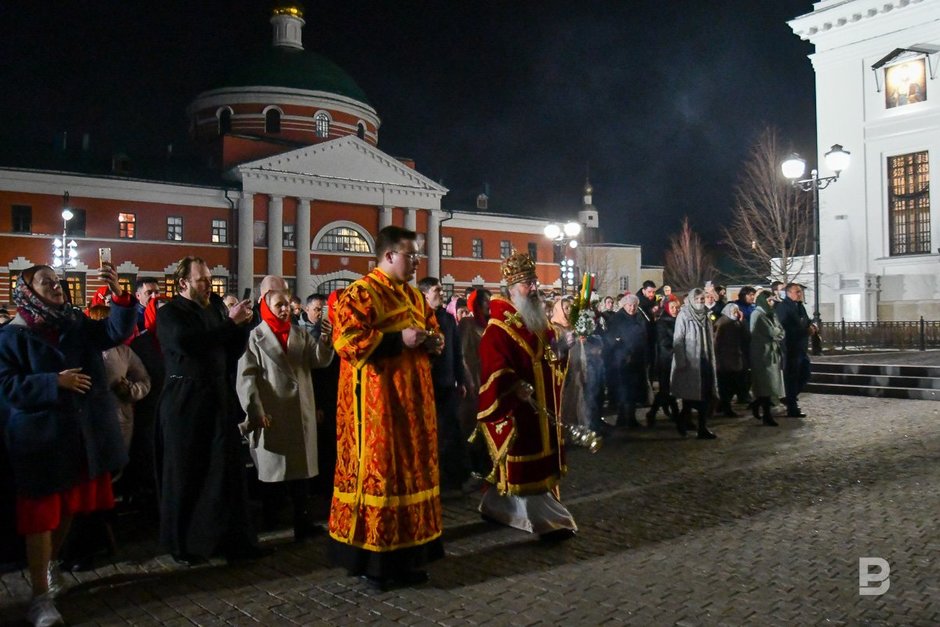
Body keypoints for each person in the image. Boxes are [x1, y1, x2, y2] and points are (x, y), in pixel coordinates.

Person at [0, 263, 135, 626]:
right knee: (40, 516)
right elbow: (6, 386)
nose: (58, 287)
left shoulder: (73, 323)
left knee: (68, 507)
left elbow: (114, 332)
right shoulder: (11, 335)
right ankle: (40, 598)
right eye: (47, 282)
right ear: (27, 290)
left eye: (58, 281)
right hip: (38, 440)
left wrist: (120, 297)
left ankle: (48, 566)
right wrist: (52, 383)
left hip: (79, 437)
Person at [329, 226, 444, 590]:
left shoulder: (413, 295)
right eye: (411, 255)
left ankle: (409, 558)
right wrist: (398, 339)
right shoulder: (361, 292)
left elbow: (430, 327)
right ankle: (375, 564)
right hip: (376, 409)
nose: (416, 263)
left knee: (412, 474)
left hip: (414, 405)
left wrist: (433, 341)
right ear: (390, 255)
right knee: (382, 477)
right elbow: (346, 341)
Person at [155, 256, 263, 566]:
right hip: (185, 400)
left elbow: (228, 350)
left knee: (225, 471)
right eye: (201, 279)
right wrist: (229, 324)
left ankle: (233, 541)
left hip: (217, 396)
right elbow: (188, 343)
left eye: (209, 277)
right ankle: (186, 544)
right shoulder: (170, 313)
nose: (208, 284)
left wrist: (239, 328)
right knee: (187, 471)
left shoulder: (214, 308)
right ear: (183, 283)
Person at [475, 250, 576, 541]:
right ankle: (546, 519)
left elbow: (550, 357)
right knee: (522, 467)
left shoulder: (537, 320)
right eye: (526, 283)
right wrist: (512, 386)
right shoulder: (498, 328)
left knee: (514, 472)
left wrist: (563, 348)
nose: (533, 288)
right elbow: (492, 368)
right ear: (511, 288)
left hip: (541, 408)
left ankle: (494, 505)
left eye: (534, 281)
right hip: (519, 409)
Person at [236, 286, 334, 541]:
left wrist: (325, 342)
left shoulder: (300, 333)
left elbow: (319, 361)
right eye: (279, 305)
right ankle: (271, 520)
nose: (285, 310)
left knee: (300, 473)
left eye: (287, 305)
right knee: (273, 471)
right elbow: (246, 378)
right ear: (266, 306)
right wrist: (254, 409)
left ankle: (304, 523)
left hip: (300, 410)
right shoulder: (254, 337)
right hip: (274, 411)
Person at [418, 277, 468, 491]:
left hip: (447, 382)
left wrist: (462, 379)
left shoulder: (447, 319)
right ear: (425, 294)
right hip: (425, 384)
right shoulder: (417, 317)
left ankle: (452, 477)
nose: (441, 293)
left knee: (450, 430)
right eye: (436, 290)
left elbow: (456, 350)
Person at [670, 288, 718, 439]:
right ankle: (682, 420)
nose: (700, 303)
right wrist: (681, 361)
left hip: (704, 360)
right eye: (697, 300)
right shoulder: (684, 315)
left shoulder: (706, 315)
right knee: (690, 398)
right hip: (690, 362)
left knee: (705, 395)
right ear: (691, 300)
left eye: (702, 300)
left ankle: (702, 428)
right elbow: (678, 340)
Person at [458, 288, 492, 486]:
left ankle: (487, 465)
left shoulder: (492, 324)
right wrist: (468, 379)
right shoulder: (467, 324)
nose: (489, 304)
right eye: (485, 301)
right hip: (475, 379)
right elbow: (462, 354)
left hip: (489, 378)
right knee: (472, 424)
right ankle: (471, 467)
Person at [605, 293, 649, 429]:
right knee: (625, 390)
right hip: (623, 359)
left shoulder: (639, 317)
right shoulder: (617, 318)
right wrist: (622, 349)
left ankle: (630, 417)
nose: (632, 308)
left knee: (634, 391)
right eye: (629, 305)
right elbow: (611, 338)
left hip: (637, 358)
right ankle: (623, 419)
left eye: (634, 306)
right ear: (624, 305)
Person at [775, 283, 813, 417]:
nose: (799, 294)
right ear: (789, 293)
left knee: (805, 373)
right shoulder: (783, 307)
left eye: (800, 291)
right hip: (790, 348)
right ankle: (792, 407)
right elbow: (784, 328)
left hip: (801, 347)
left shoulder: (800, 306)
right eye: (797, 292)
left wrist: (812, 326)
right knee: (792, 377)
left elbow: (806, 320)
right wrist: (804, 331)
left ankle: (789, 398)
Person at [749, 291, 785, 427]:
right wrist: (777, 331)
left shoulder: (770, 314)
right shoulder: (758, 314)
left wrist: (777, 330)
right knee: (765, 384)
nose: (771, 303)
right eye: (769, 300)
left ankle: (759, 405)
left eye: (772, 301)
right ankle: (766, 413)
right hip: (762, 354)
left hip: (771, 352)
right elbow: (773, 332)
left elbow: (781, 331)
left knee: (770, 384)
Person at [647, 295, 680, 425]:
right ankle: (676, 416)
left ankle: (653, 413)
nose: (675, 310)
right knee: (667, 389)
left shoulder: (679, 320)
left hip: (677, 359)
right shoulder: (662, 322)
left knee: (668, 390)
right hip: (666, 360)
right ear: (667, 308)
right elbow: (663, 342)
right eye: (672, 307)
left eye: (677, 307)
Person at [713, 303, 746, 417]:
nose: (736, 313)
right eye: (734, 311)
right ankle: (725, 407)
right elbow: (716, 342)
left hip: (734, 357)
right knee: (726, 385)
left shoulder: (735, 322)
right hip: (725, 359)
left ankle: (722, 405)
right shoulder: (723, 323)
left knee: (732, 383)